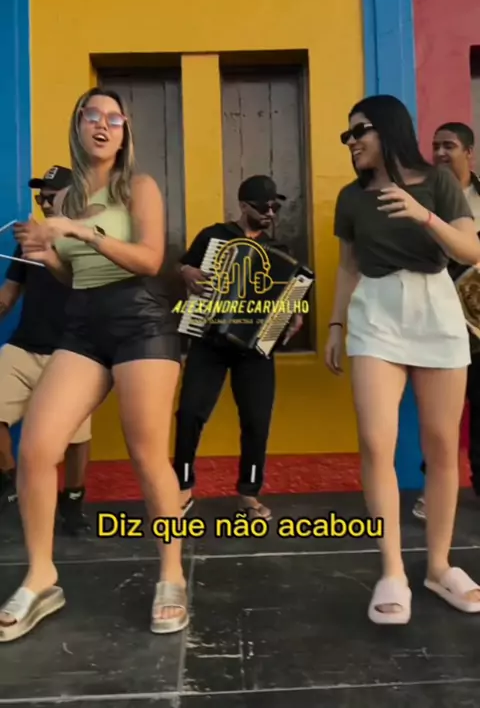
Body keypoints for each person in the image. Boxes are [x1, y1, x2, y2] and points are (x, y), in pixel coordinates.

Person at [0, 87, 188, 642]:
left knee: (146, 453)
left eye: (115, 118)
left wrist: (80, 231)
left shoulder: (139, 187)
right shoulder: (64, 199)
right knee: (36, 448)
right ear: (78, 127)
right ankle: (41, 577)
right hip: (83, 325)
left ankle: (172, 575)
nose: (104, 125)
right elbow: (72, 276)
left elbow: (150, 260)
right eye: (93, 116)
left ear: (124, 133)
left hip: (141, 321)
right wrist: (46, 254)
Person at [325, 94, 480, 625]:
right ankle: (391, 570)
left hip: (435, 307)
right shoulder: (351, 198)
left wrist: (423, 215)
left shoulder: (438, 183)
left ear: (389, 128)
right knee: (375, 440)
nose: (351, 142)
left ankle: (438, 567)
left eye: (359, 131)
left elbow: (469, 249)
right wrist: (336, 324)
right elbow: (348, 266)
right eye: (346, 135)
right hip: (376, 313)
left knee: (441, 444)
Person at [173, 175, 303, 520]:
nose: (270, 213)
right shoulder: (214, 237)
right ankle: (182, 486)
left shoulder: (280, 251)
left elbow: (290, 296)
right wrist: (186, 271)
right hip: (209, 340)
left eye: (275, 207)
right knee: (190, 413)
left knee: (257, 421)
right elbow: (182, 265)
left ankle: (249, 494)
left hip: (255, 349)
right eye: (263, 207)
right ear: (243, 206)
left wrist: (292, 315)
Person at [0, 166, 92, 535]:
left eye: (51, 195)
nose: (44, 201)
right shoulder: (26, 244)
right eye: (41, 196)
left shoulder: (91, 240)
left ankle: (73, 502)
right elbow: (7, 297)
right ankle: (11, 484)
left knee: (77, 436)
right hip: (23, 347)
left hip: (72, 354)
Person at [413, 122, 480, 520]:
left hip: (479, 325)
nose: (439, 153)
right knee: (439, 414)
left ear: (468, 152)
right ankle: (432, 492)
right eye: (435, 145)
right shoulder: (426, 196)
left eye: (449, 146)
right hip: (437, 319)